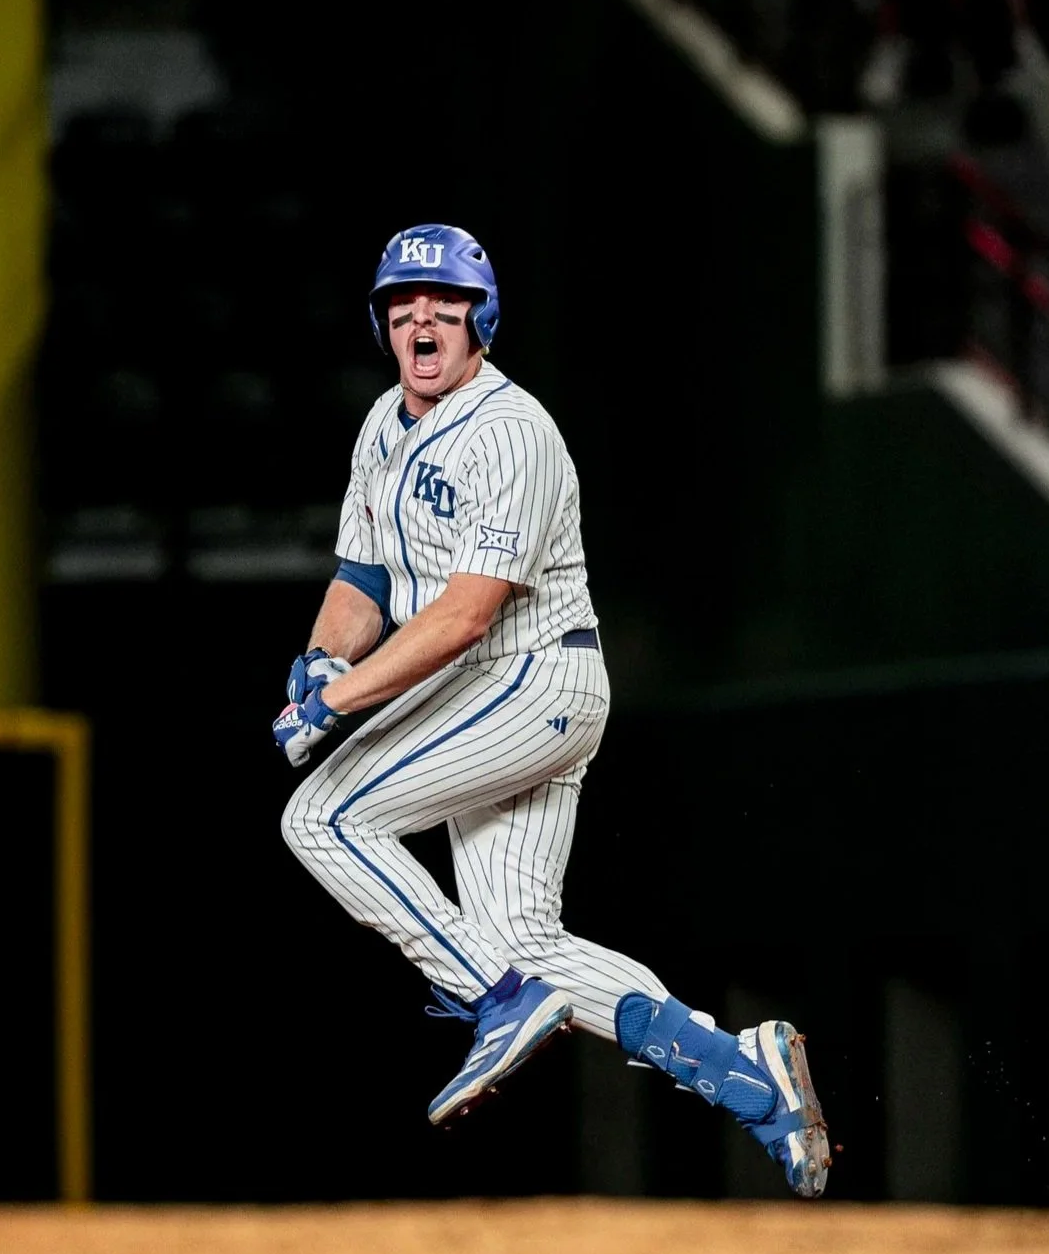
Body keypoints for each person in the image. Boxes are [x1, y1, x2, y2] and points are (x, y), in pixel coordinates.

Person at [270, 223, 831, 1197]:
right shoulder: (380, 426)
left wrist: (339, 703)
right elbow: (360, 577)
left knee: (323, 815)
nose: (421, 323)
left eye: (442, 306)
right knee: (527, 939)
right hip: (476, 699)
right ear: (382, 325)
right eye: (402, 308)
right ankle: (747, 1075)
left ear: (478, 318)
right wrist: (322, 658)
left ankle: (490, 999)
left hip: (529, 679)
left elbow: (461, 613)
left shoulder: (511, 430)